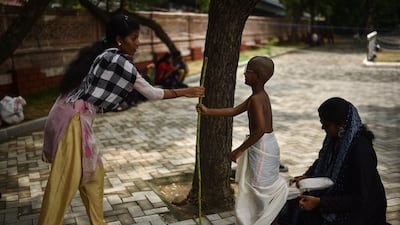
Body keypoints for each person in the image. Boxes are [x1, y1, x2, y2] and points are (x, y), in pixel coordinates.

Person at [38, 15, 204, 225]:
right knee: (63, 183)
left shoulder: (101, 52)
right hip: (72, 121)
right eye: (134, 38)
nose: (138, 43)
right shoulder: (116, 60)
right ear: (119, 39)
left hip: (69, 115)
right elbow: (152, 93)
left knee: (94, 176)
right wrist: (187, 92)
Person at [197, 56, 288, 225]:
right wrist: (208, 111)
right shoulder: (258, 96)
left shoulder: (256, 99)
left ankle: (267, 221)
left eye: (249, 71)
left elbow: (260, 129)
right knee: (260, 190)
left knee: (260, 191)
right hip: (265, 145)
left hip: (262, 149)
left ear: (258, 77)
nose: (244, 74)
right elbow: (233, 111)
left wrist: (239, 150)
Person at [278, 97, 389, 225]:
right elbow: (322, 161)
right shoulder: (334, 138)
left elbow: (360, 197)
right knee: (293, 202)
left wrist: (320, 203)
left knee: (307, 218)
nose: (322, 128)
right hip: (338, 194)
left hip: (362, 210)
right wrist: (307, 177)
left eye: (326, 125)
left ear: (340, 125)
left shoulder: (361, 150)